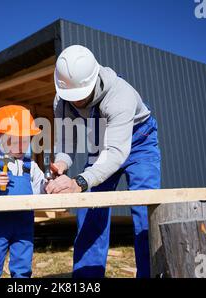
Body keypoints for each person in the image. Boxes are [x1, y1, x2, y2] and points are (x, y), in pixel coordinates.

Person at [46, 45, 161, 278]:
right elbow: (67, 144)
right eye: (71, 97)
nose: (76, 102)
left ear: (93, 80)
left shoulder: (120, 95)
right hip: (101, 143)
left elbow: (116, 153)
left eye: (81, 97)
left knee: (144, 209)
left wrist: (79, 181)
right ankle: (87, 280)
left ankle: (150, 274)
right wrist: (61, 164)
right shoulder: (62, 99)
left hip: (140, 143)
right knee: (90, 209)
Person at [0, 105, 47, 278]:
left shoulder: (32, 166)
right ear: (1, 139)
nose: (21, 145)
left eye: (25, 140)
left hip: (24, 223)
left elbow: (40, 191)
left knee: (22, 263)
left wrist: (48, 187)